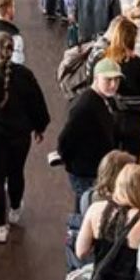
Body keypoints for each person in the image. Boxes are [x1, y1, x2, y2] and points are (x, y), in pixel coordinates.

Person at [0, 31, 49, 241]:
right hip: (19, 136)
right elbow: (37, 103)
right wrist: (39, 127)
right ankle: (15, 208)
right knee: (16, 172)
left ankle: (0, 226)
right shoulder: (25, 74)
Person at [58, 58, 122, 203]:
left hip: (97, 168)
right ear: (96, 78)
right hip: (85, 172)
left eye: (116, 80)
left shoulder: (105, 99)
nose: (113, 85)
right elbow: (65, 140)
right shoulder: (84, 106)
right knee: (87, 208)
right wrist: (71, 164)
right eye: (108, 80)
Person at [101, 17, 140, 158]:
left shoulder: (105, 62)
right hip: (134, 123)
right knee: (130, 166)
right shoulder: (139, 64)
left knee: (111, 164)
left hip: (110, 120)